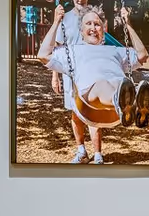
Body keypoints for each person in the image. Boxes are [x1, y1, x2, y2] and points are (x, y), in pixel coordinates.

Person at [39, 4, 149, 164]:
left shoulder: (115, 50)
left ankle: (131, 103)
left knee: (117, 81)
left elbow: (142, 55)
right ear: (81, 31)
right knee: (103, 83)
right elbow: (43, 55)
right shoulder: (73, 51)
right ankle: (126, 99)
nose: (93, 27)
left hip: (116, 105)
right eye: (88, 24)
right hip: (89, 101)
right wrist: (56, 22)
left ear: (104, 29)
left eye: (97, 24)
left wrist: (128, 24)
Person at [49, 0, 94, 164]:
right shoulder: (65, 18)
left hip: (91, 73)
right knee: (75, 112)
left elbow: (102, 45)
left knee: (93, 112)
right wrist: (55, 76)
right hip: (70, 75)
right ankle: (81, 151)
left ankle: (98, 154)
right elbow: (57, 48)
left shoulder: (95, 16)